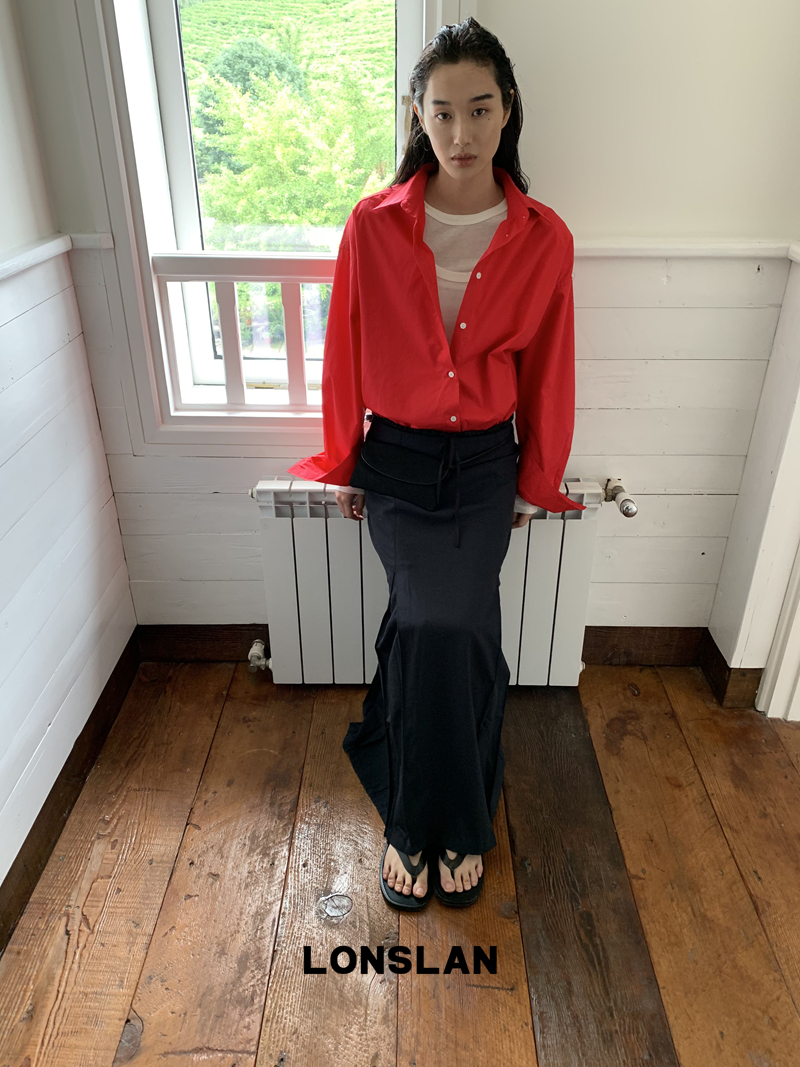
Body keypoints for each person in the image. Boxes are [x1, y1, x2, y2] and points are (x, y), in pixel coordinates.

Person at [286, 18, 585, 911]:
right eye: (443, 112)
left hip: (488, 465)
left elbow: (552, 368)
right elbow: (343, 350)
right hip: (400, 464)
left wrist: (536, 479)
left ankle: (437, 816)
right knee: (433, 623)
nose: (461, 133)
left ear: (508, 110)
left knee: (456, 630)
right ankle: (429, 821)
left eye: (480, 110)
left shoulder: (544, 236)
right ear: (416, 113)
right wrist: (345, 461)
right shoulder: (372, 225)